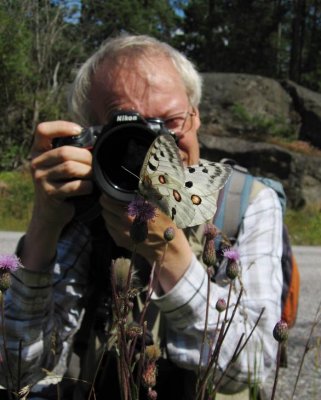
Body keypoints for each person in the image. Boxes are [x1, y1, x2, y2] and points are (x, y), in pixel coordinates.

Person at [0, 35, 283, 399]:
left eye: (170, 122)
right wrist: (44, 225)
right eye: (129, 132)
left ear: (195, 116)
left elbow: (250, 370)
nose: (154, 146)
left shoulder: (245, 204)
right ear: (90, 137)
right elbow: (14, 369)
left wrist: (172, 257)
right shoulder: (86, 207)